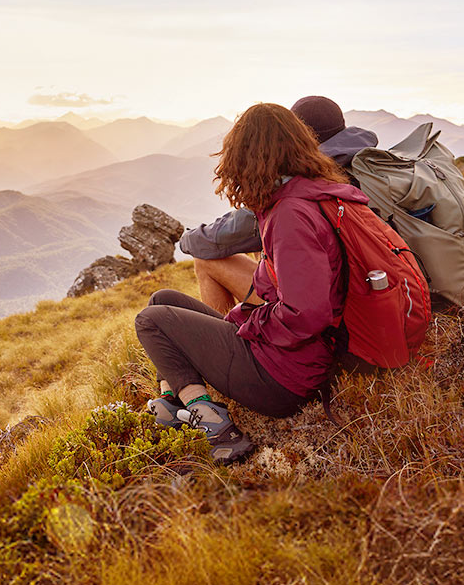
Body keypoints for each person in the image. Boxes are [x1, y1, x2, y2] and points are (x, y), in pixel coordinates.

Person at [135, 102, 368, 463]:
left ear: (251, 158)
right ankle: (171, 403)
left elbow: (307, 315)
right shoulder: (304, 194)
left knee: (150, 322)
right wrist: (244, 318)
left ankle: (215, 427)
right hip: (292, 360)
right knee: (161, 299)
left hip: (284, 379)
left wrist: (249, 326)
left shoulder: (291, 216)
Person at [180, 96, 378, 315]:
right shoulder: (368, 164)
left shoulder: (296, 188)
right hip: (375, 289)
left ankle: (223, 342)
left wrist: (185, 239)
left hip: (336, 306)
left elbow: (223, 236)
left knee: (205, 261)